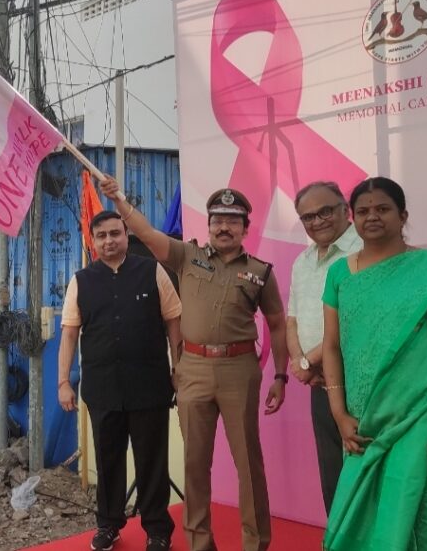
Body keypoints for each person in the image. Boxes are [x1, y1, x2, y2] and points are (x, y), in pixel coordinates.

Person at [99, 176, 289, 551]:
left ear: (245, 228)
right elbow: (147, 232)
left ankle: (256, 543)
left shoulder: (260, 271)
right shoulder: (188, 256)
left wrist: (281, 375)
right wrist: (119, 199)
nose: (223, 226)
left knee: (248, 465)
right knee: (195, 464)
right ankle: (200, 543)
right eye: (217, 219)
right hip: (194, 369)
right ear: (209, 225)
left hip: (240, 370)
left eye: (233, 220)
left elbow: (278, 324)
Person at [321, 177, 427, 550]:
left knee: (423, 511)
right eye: (363, 211)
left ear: (402, 215)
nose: (372, 216)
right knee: (361, 515)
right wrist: (339, 414)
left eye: (383, 208)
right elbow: (331, 345)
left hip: (420, 416)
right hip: (364, 423)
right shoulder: (339, 274)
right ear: (351, 218)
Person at [57, 210, 180, 551]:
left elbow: (174, 321)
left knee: (152, 461)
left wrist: (178, 367)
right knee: (108, 460)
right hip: (103, 389)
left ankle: (157, 530)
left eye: (115, 234)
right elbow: (69, 334)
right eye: (102, 236)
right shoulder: (81, 280)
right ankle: (108, 525)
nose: (109, 241)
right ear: (93, 241)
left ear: (127, 235)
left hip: (150, 386)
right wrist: (63, 382)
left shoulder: (152, 271)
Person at [286, 182, 362, 514]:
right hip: (321, 383)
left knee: (363, 469)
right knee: (332, 471)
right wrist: (299, 362)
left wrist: (309, 361)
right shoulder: (302, 261)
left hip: (359, 381)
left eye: (325, 211)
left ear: (345, 209)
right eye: (307, 217)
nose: (317, 221)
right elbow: (292, 319)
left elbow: (356, 320)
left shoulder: (365, 250)